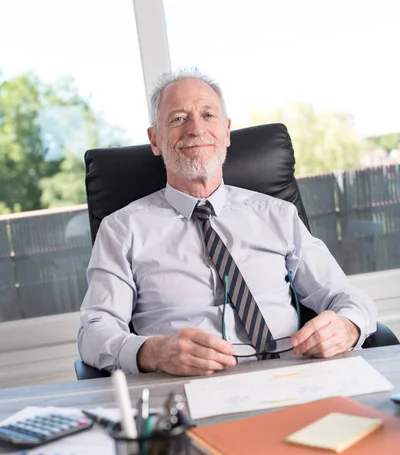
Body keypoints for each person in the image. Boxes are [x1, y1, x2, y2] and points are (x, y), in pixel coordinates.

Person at [78, 68, 377, 377]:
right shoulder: (121, 230)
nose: (196, 129)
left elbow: (347, 296)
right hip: (188, 389)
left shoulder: (278, 215)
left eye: (208, 115)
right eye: (178, 118)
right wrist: (153, 352)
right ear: (155, 140)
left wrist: (348, 326)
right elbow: (93, 332)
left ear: (226, 131)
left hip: (294, 378)